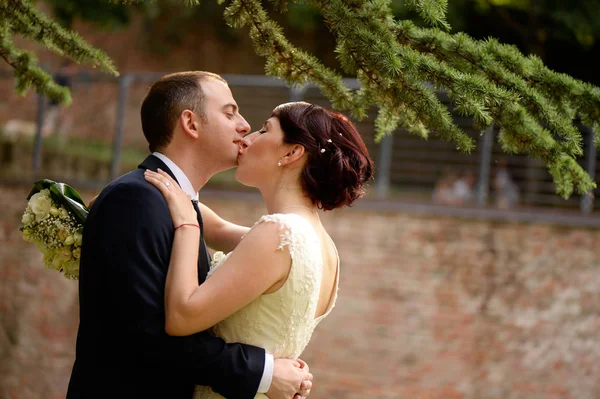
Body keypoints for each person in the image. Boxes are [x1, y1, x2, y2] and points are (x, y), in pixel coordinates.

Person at [67, 72, 314, 399]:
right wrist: (263, 373)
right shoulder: (135, 199)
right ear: (191, 124)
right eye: (229, 112)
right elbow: (146, 334)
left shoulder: (176, 203)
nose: (244, 126)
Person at [143, 101, 374, 399]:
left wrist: (187, 227)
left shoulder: (279, 235)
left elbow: (182, 317)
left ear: (291, 153)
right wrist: (153, 192)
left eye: (264, 130)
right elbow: (221, 230)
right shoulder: (319, 244)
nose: (247, 138)